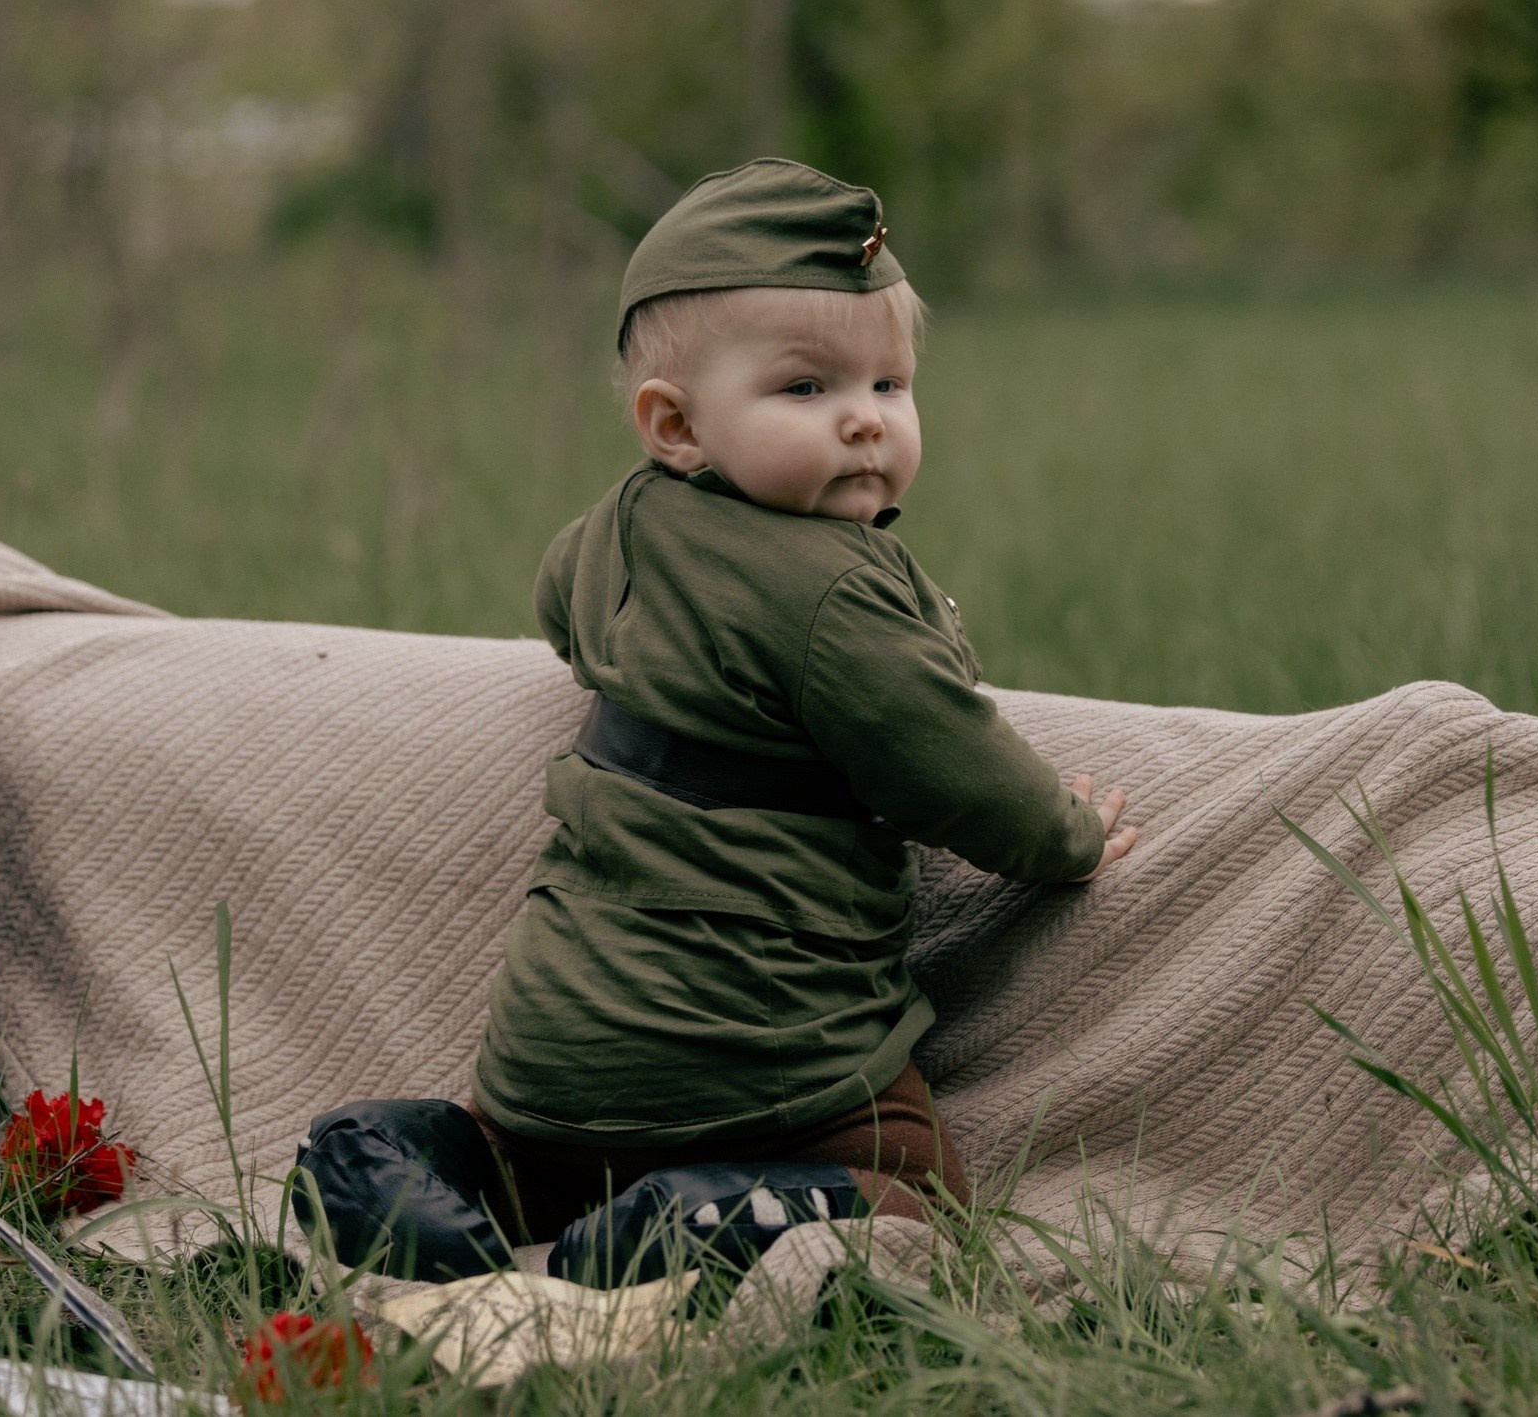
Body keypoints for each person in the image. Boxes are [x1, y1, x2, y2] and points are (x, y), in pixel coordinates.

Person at [296, 159, 1137, 1286]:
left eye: (889, 384)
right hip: (763, 1058)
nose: (862, 421)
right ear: (677, 424)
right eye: (804, 389)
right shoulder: (837, 592)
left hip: (548, 1055)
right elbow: (957, 766)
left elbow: (559, 600)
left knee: (513, 1158)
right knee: (915, 1195)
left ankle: (387, 1155)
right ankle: (682, 1219)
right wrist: (1068, 834)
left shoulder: (623, 523)